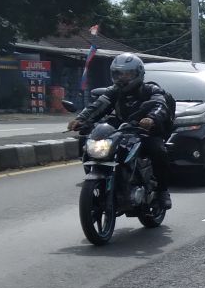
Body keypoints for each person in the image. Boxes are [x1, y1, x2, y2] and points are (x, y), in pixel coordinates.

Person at [68, 53, 174, 209]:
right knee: (92, 143)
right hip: (122, 130)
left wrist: (151, 118)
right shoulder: (114, 91)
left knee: (158, 150)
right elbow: (98, 105)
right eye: (119, 73)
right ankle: (109, 182)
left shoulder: (151, 90)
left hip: (145, 131)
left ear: (138, 74)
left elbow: (160, 105)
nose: (123, 78)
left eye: (128, 74)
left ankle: (162, 192)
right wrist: (81, 119)